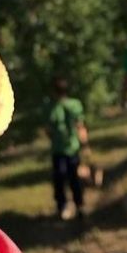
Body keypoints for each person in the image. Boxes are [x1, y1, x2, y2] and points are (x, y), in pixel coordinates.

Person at [46, 77, 88, 220]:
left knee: (60, 179)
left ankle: (63, 206)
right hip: (72, 148)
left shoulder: (52, 107)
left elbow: (49, 130)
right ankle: (78, 205)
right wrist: (85, 145)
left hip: (59, 149)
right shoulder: (75, 105)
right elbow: (80, 126)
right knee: (73, 178)